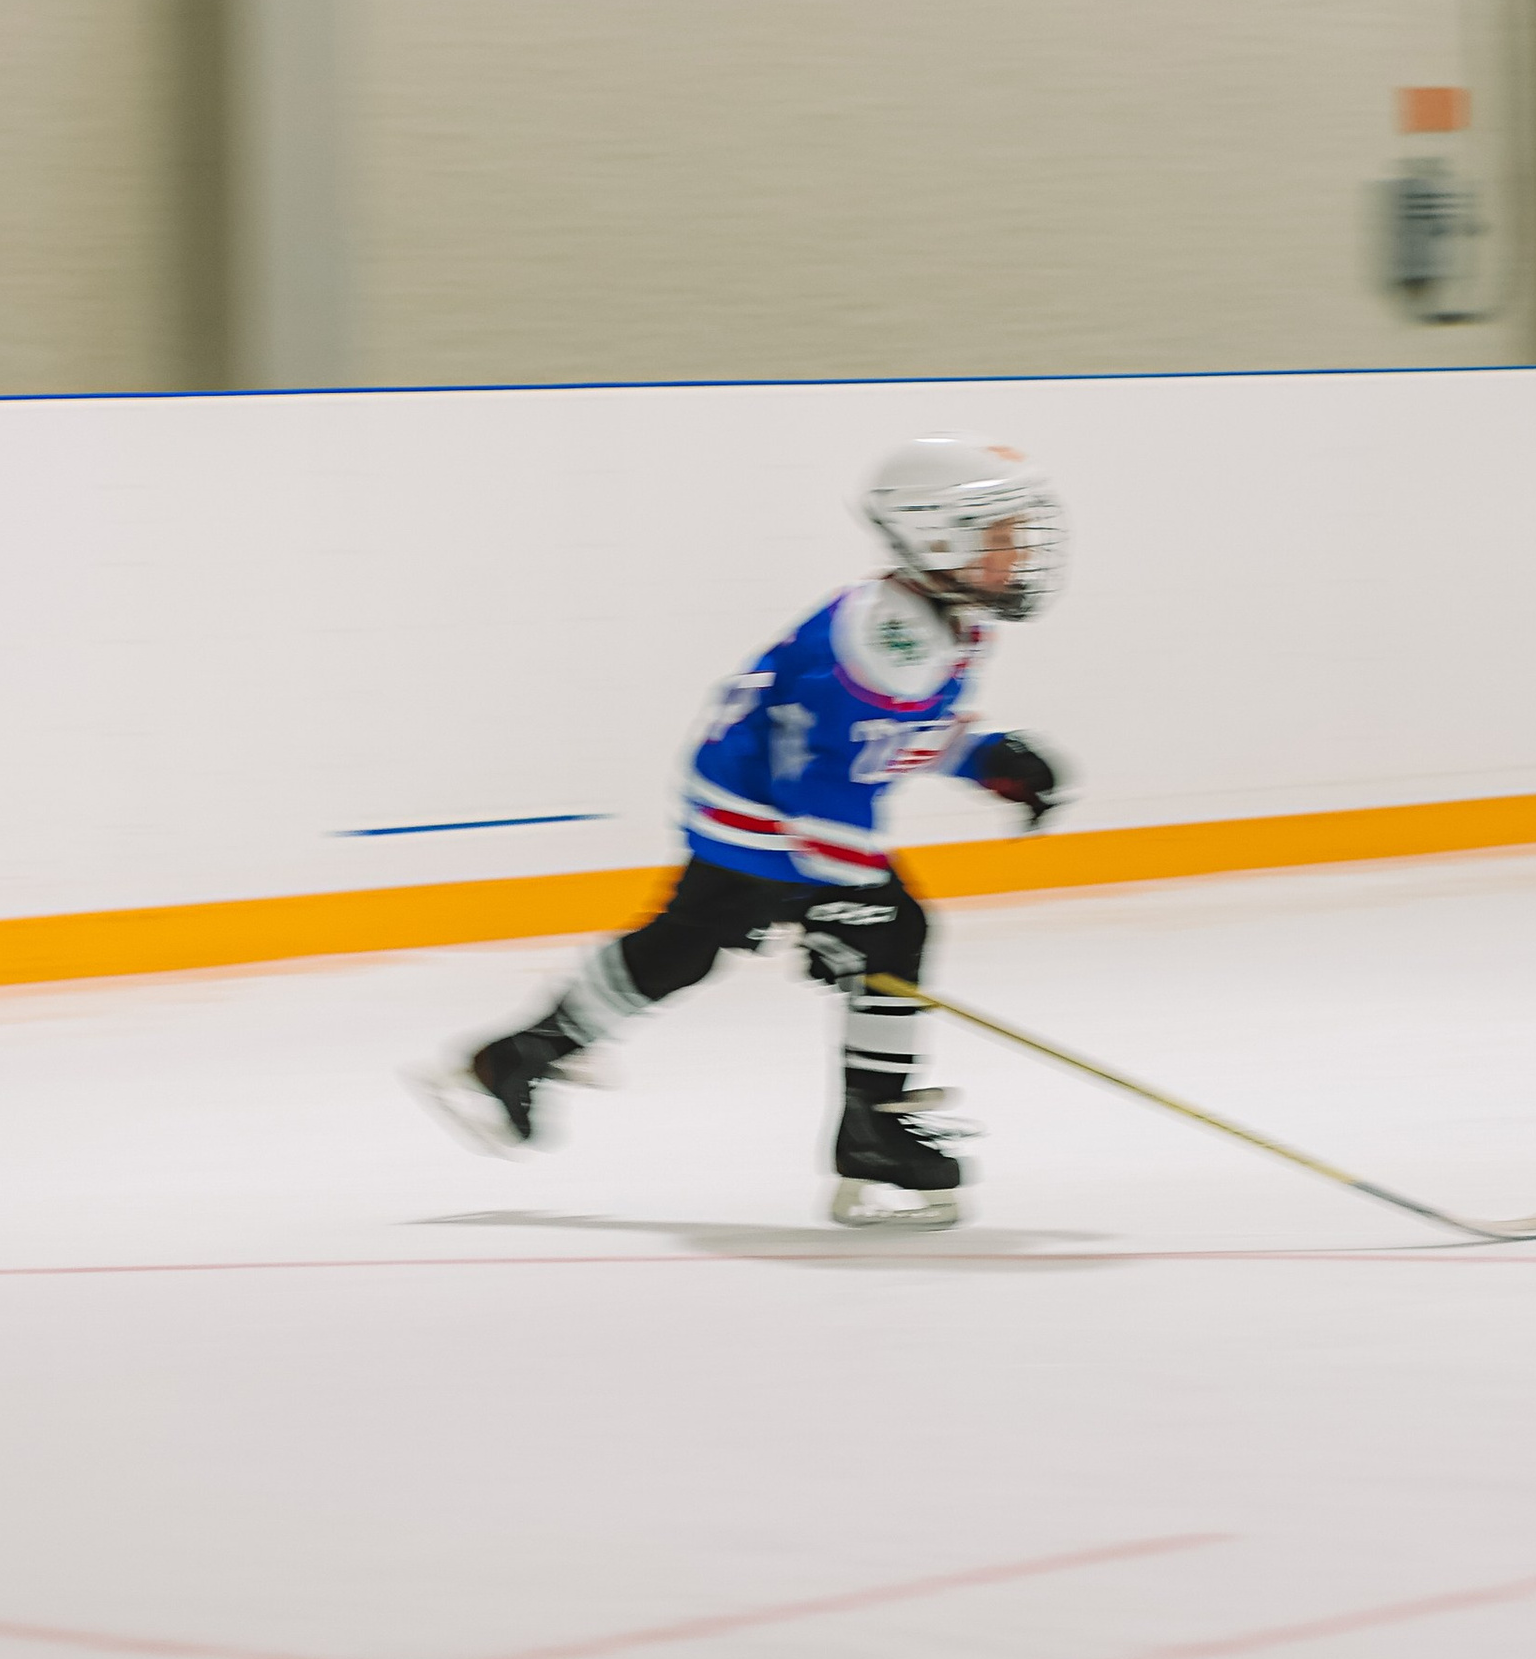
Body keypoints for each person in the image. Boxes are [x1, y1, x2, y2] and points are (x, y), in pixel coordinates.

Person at [419, 438, 1067, 1228]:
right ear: (937, 538)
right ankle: (875, 1126)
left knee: (689, 943)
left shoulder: (936, 623)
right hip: (764, 816)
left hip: (754, 803)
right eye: (996, 534)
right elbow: (822, 781)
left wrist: (986, 760)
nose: (1016, 552)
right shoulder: (891, 639)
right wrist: (843, 895)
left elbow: (891, 740)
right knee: (888, 927)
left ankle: (524, 1053)